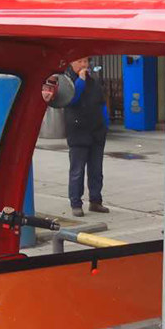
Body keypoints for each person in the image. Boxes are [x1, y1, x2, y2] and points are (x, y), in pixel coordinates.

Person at [64, 57, 110, 217]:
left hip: (96, 132)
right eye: (80, 62)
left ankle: (96, 201)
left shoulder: (94, 81)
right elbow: (72, 99)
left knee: (96, 170)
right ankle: (76, 203)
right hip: (78, 132)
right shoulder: (67, 81)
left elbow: (102, 103)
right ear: (71, 63)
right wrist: (81, 81)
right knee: (77, 171)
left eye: (85, 62)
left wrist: (105, 125)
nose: (84, 65)